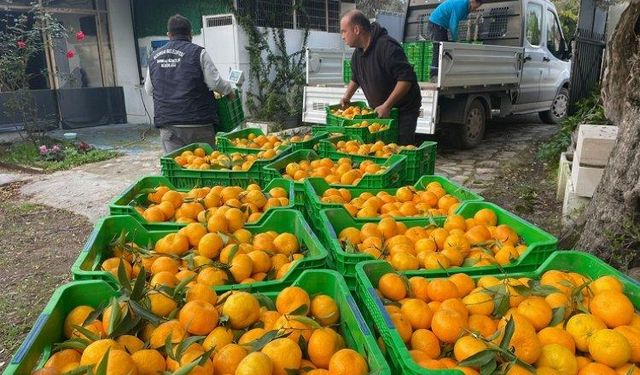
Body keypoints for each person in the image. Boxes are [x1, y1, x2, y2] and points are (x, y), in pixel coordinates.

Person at [145, 14, 235, 152]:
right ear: (190, 34)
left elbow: (149, 90)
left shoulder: (153, 57)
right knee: (204, 167)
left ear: (169, 35)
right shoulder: (199, 53)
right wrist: (229, 91)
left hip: (169, 125)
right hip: (198, 123)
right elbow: (215, 83)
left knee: (176, 168)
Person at [339, 10, 422, 146]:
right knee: (382, 148)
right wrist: (347, 97)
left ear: (356, 30)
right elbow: (356, 78)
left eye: (344, 31)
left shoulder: (387, 47)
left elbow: (406, 79)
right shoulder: (357, 55)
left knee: (401, 147)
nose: (342, 36)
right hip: (380, 110)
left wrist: (387, 105)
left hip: (403, 110)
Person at [427, 0, 484, 80]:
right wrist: (456, 41)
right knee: (439, 50)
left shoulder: (465, 6)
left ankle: (441, 75)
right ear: (472, 1)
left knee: (444, 51)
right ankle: (434, 75)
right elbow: (453, 25)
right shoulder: (460, 5)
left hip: (440, 26)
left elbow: (459, 19)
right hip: (436, 24)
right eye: (476, 6)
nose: (475, 9)